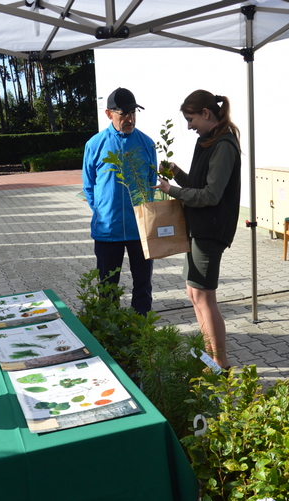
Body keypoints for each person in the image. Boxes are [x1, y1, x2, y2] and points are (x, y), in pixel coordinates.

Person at [155, 90, 241, 369]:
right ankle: (210, 358)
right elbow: (200, 184)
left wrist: (174, 191)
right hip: (198, 228)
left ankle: (221, 363)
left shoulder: (224, 145)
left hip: (211, 230)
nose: (189, 126)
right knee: (193, 294)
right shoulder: (207, 141)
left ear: (206, 113)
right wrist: (178, 173)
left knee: (204, 296)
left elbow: (211, 196)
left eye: (191, 119)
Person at [82, 87, 157, 315]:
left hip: (139, 229)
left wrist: (142, 213)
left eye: (133, 113)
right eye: (123, 114)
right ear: (109, 114)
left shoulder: (147, 143)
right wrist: (104, 212)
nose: (129, 119)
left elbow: (151, 183)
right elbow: (89, 185)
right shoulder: (95, 144)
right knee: (107, 287)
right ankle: (110, 329)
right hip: (108, 230)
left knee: (143, 286)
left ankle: (141, 328)